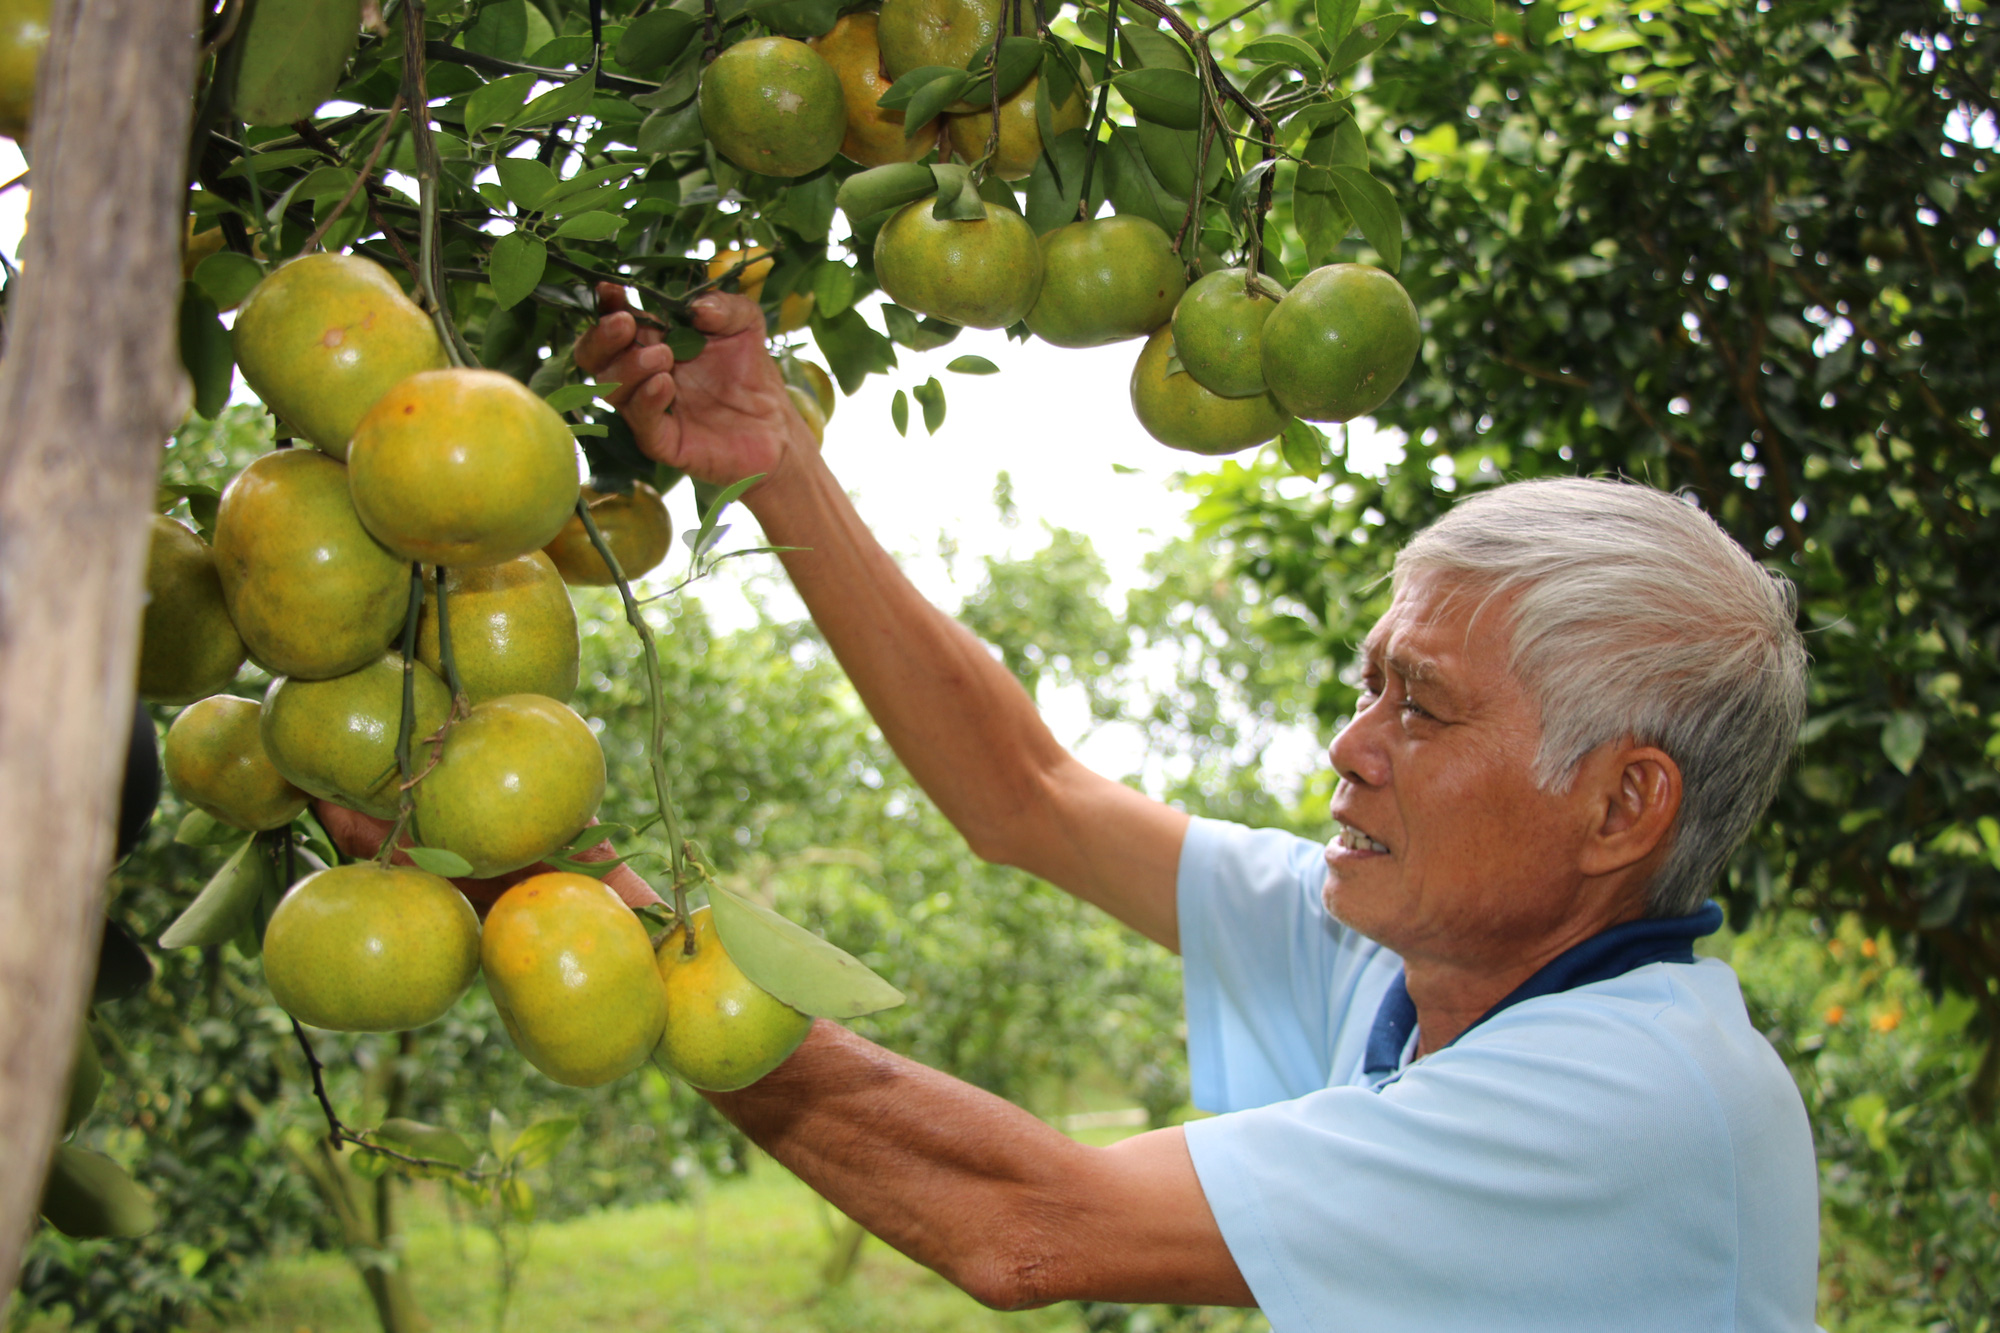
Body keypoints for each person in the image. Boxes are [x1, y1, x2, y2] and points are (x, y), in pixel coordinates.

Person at [572, 286, 1822, 1331]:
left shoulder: (1631, 1095)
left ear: (1619, 807)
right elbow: (1028, 794)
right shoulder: (1394, 954)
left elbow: (1024, 1229)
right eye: (1366, 684)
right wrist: (780, 464)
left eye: (1420, 707)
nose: (1348, 746)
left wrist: (576, 906)